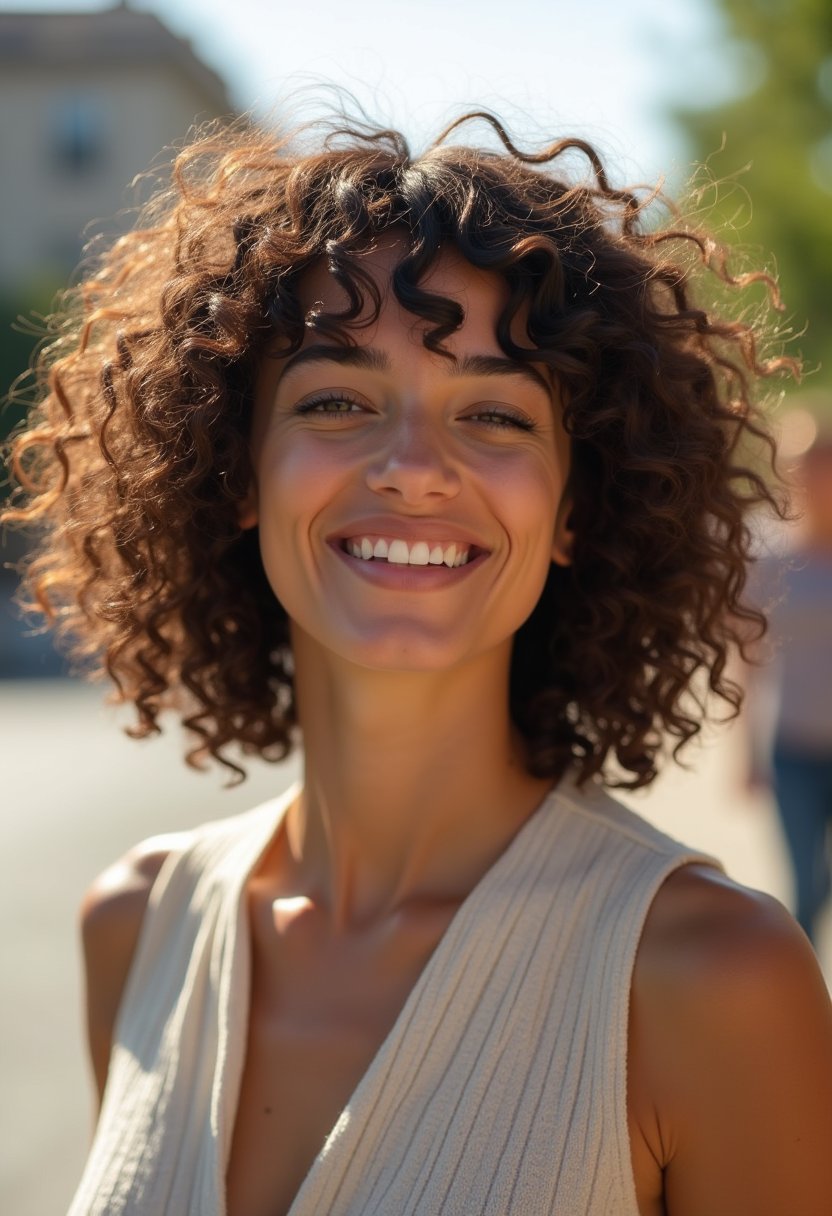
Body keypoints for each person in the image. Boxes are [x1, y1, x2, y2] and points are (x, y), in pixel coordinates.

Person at [4, 111, 832, 1216]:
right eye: (337, 400)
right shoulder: (136, 924)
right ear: (236, 470)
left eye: (492, 413)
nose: (412, 469)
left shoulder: (709, 976)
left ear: (575, 505)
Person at [742, 432, 832, 946]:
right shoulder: (770, 557)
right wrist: (747, 755)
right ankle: (809, 1012)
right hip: (793, 750)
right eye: (806, 471)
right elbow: (748, 659)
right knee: (805, 885)